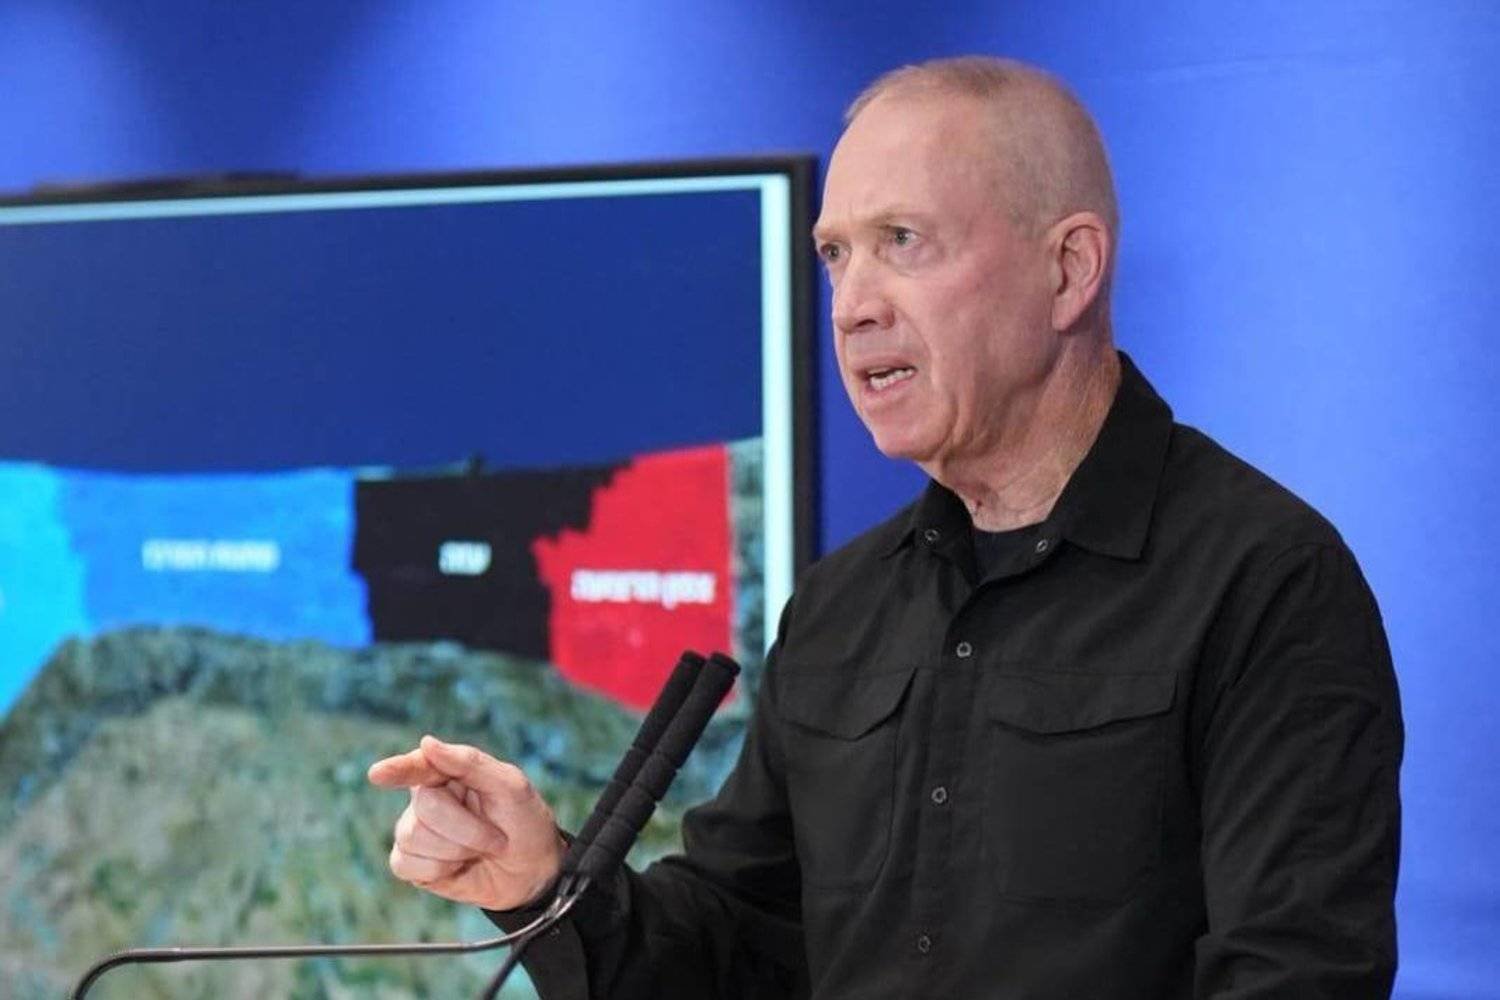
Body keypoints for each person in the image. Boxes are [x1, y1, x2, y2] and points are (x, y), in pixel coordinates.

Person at [368, 56, 1403, 998]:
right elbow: (730, 952)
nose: (852, 306)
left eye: (902, 242)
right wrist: (542, 880)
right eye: (834, 255)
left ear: (1069, 270)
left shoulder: (1265, 581)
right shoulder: (841, 605)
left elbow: (1295, 976)